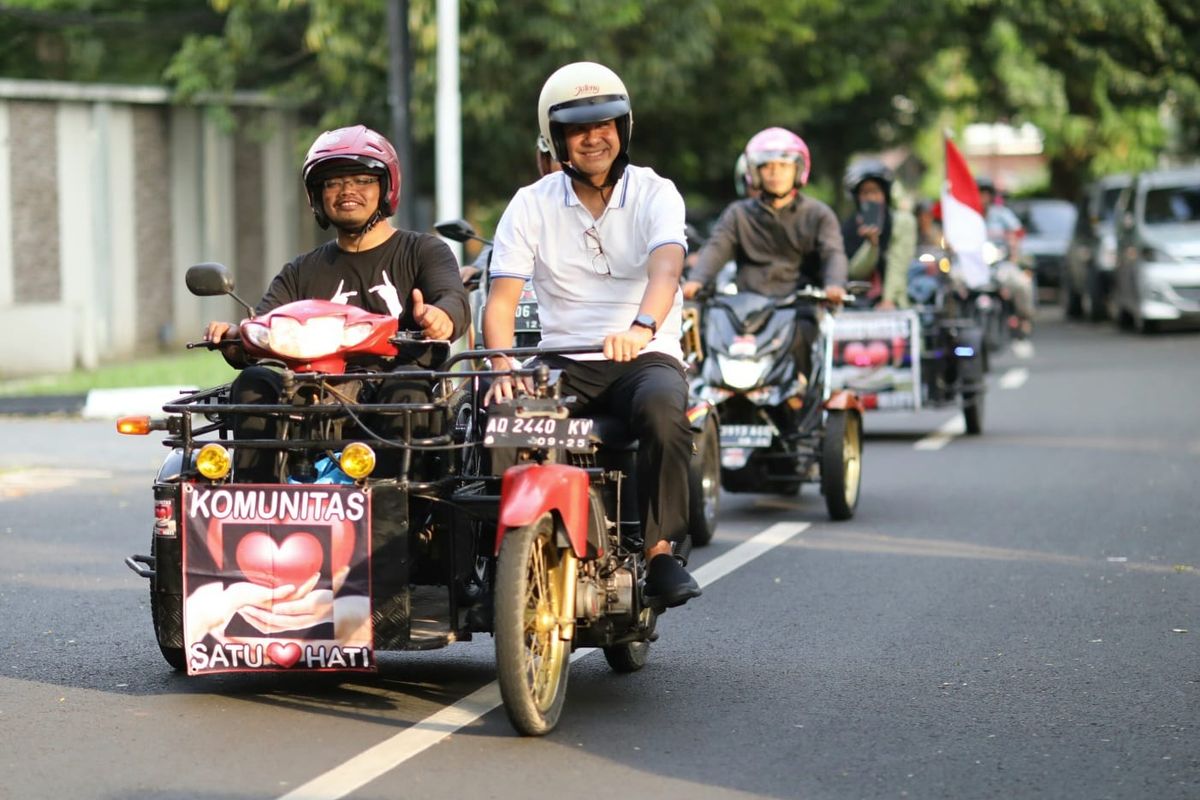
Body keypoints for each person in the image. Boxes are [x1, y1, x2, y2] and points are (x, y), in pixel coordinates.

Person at [483, 61, 700, 610]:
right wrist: (501, 367)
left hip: (643, 356)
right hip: (563, 360)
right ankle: (505, 553)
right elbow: (501, 300)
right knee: (498, 416)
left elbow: (666, 270)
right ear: (557, 140)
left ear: (623, 128)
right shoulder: (529, 203)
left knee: (663, 413)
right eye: (578, 129)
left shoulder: (656, 192)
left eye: (604, 125)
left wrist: (641, 328)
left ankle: (660, 553)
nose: (593, 138)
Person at [204, 124, 471, 479]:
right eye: (333, 183)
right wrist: (235, 338)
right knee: (255, 381)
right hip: (313, 397)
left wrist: (440, 317)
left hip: (393, 391)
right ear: (318, 196)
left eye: (362, 180)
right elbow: (265, 327)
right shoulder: (301, 270)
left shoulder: (423, 251)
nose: (347, 191)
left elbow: (453, 300)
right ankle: (261, 497)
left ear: (386, 188)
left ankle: (388, 501)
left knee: (406, 385)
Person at [682, 127, 848, 383]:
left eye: (783, 166)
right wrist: (696, 280)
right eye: (767, 166)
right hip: (745, 310)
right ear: (754, 172)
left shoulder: (818, 214)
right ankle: (705, 387)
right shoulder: (738, 214)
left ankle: (799, 392)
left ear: (798, 170)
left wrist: (834, 284)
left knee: (806, 336)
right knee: (707, 324)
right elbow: (717, 247)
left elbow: (833, 253)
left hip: (796, 306)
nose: (775, 173)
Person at [841, 160, 917, 309]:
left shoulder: (901, 222)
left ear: (885, 194)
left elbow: (898, 263)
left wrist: (888, 300)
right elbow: (854, 272)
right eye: (865, 193)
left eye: (876, 191)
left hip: (893, 305)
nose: (871, 198)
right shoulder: (849, 228)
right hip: (857, 305)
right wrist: (872, 245)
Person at [978, 176, 1035, 350]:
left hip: (1000, 263)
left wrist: (1013, 250)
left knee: (1022, 284)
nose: (983, 198)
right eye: (980, 193)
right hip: (975, 266)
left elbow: (1016, 233)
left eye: (986, 194)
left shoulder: (1001, 214)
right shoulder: (968, 215)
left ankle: (1023, 319)